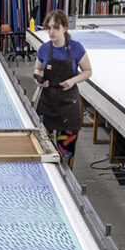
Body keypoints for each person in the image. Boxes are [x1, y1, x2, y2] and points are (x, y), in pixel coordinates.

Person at [33, 9, 92, 169]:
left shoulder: (76, 48)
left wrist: (73, 80)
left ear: (65, 28)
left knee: (65, 155)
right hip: (47, 105)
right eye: (49, 28)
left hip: (68, 106)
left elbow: (88, 71)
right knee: (43, 152)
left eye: (56, 28)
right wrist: (40, 80)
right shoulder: (44, 49)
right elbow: (37, 69)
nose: (51, 32)